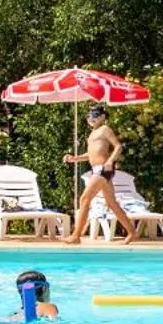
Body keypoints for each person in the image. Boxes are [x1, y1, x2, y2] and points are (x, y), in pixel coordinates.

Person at [64, 104, 137, 244]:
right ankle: (132, 233)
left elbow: (118, 146)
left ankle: (76, 236)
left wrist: (110, 161)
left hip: (103, 169)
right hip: (96, 170)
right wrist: (75, 158)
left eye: (95, 115)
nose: (91, 119)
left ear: (103, 117)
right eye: (89, 116)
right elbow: (91, 154)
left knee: (84, 199)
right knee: (112, 204)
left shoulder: (105, 129)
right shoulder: (92, 134)